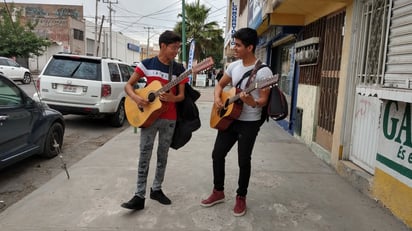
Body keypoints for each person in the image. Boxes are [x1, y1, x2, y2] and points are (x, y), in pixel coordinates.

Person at [200, 27, 273, 216]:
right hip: (229, 118)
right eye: (234, 44)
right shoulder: (233, 66)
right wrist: (217, 97)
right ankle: (218, 191)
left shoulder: (264, 73)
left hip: (249, 121)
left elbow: (263, 101)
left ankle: (241, 197)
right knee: (217, 154)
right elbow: (220, 85)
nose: (234, 48)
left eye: (238, 45)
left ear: (250, 47)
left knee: (243, 160)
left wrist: (253, 101)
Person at [121, 30, 187, 210]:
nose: (176, 52)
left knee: (162, 155)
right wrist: (136, 98)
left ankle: (156, 189)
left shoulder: (179, 69)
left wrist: (172, 98)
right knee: (145, 154)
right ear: (163, 46)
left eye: (178, 48)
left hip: (169, 117)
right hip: (148, 116)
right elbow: (129, 85)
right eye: (174, 48)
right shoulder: (147, 64)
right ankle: (139, 195)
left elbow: (181, 96)